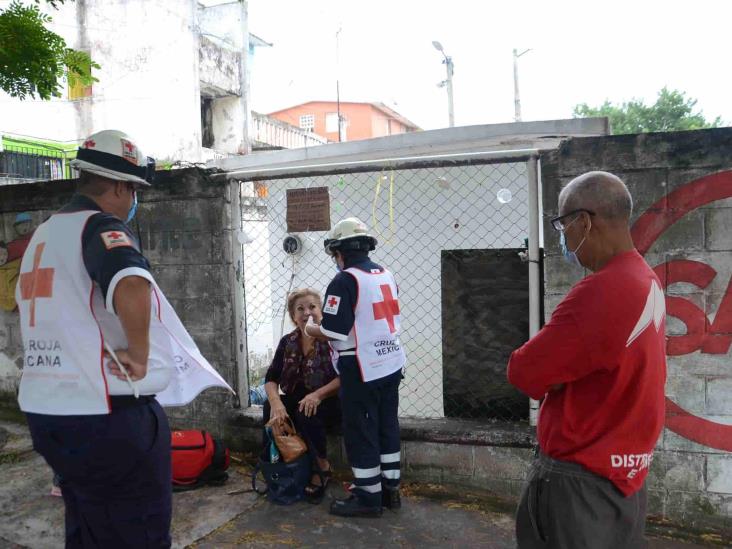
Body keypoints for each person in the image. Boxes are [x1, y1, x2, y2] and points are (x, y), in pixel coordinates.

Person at [16, 130, 172, 548]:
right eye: (135, 189)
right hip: (107, 414)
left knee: (88, 528)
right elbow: (131, 283)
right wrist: (139, 355)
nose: (134, 200)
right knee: (137, 531)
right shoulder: (100, 226)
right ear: (120, 186)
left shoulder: (44, 236)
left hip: (48, 412)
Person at [507, 171, 667, 548]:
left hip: (579, 484)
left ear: (584, 221)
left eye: (563, 225)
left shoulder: (601, 291)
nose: (563, 236)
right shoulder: (645, 279)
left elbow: (524, 371)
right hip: (622, 477)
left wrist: (558, 377)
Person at [305, 217, 406, 518]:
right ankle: (390, 491)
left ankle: (367, 497)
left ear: (340, 252)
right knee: (387, 426)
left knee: (361, 430)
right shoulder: (386, 274)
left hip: (362, 365)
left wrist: (311, 329)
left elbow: (335, 330)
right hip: (391, 361)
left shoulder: (344, 280)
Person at [262, 288, 341, 503]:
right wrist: (276, 402)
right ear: (293, 317)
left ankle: (322, 467)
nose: (307, 313)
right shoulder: (288, 341)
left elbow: (344, 377)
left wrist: (317, 395)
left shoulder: (332, 339)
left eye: (312, 307)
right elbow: (271, 377)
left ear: (322, 311)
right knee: (270, 408)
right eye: (300, 309)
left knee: (305, 410)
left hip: (329, 398)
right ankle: (281, 462)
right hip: (298, 395)